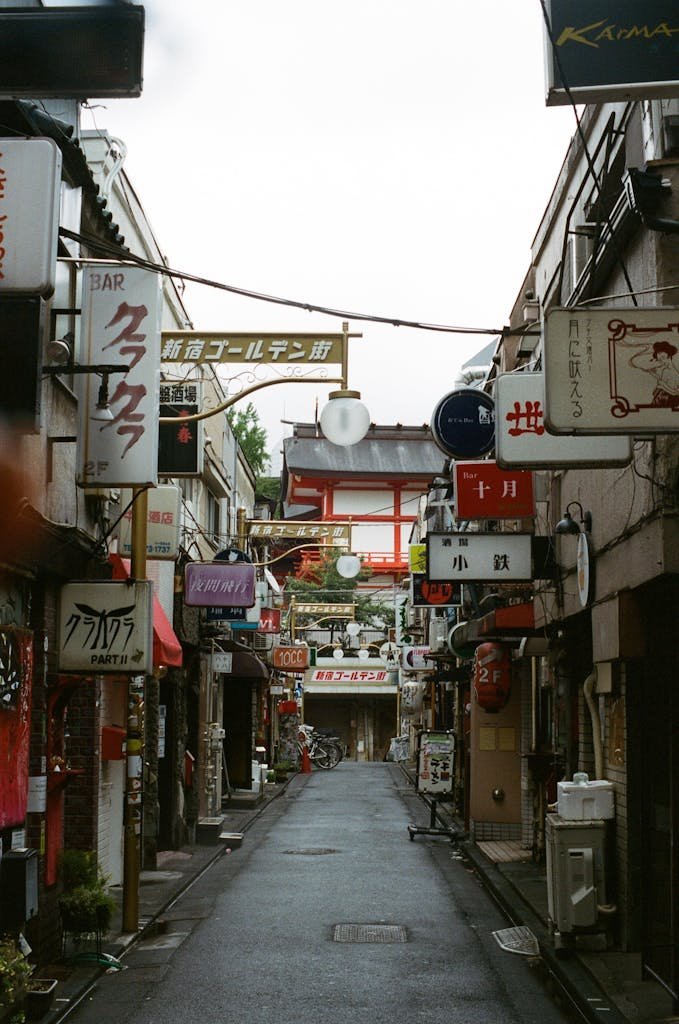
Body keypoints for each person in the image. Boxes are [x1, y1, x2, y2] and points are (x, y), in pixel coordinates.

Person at [629, 339, 679, 408]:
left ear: (669, 355)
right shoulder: (665, 370)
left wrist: (662, 385)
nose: (661, 361)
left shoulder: (671, 372)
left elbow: (675, 392)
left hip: (666, 400)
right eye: (659, 359)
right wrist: (651, 372)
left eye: (662, 357)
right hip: (661, 398)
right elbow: (637, 363)